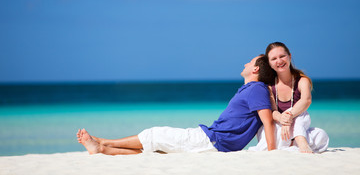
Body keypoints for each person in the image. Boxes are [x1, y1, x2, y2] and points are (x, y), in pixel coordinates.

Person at [77, 55, 276, 155]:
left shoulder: (256, 89)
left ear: (256, 69)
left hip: (212, 140)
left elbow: (267, 121)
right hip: (213, 141)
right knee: (156, 150)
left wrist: (272, 153)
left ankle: (104, 142)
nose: (245, 64)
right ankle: (102, 149)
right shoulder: (250, 89)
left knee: (153, 134)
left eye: (250, 62)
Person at [249, 42, 329, 153]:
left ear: (289, 56)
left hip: (296, 126)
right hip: (278, 128)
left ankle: (298, 140)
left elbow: (306, 100)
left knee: (319, 133)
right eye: (274, 59)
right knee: (272, 136)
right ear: (269, 63)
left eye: (282, 56)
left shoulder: (302, 81)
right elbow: (272, 111)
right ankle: (297, 143)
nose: (279, 61)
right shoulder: (269, 86)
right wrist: (282, 119)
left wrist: (289, 116)